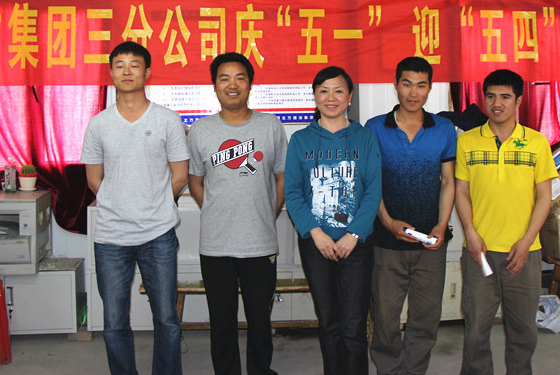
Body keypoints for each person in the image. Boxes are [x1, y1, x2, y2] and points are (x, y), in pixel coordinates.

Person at [81, 41, 189, 375]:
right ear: (111, 72)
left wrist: (155, 205)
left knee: (166, 318)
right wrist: (120, 204)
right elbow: (94, 179)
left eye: (134, 65)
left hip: (158, 234)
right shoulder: (99, 124)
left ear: (147, 72)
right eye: (120, 65)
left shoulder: (167, 119)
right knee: (114, 322)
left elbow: (180, 175)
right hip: (111, 237)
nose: (127, 71)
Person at [186, 52, 287, 375]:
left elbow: (282, 177)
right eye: (224, 78)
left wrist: (267, 213)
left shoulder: (270, 126)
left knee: (260, 320)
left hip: (260, 242)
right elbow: (195, 180)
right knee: (222, 322)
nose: (233, 85)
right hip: (215, 245)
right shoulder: (200, 130)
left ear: (250, 84)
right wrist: (214, 208)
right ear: (215, 86)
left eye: (240, 78)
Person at [454, 69, 558, 375]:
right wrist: (471, 234)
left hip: (523, 254)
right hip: (479, 253)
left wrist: (526, 241)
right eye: (491, 96)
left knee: (523, 332)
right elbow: (461, 192)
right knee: (475, 330)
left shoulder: (537, 143)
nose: (497, 103)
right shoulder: (467, 141)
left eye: (505, 97)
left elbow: (544, 197)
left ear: (518, 101)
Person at [284, 66, 382, 375]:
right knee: (328, 324)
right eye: (324, 91)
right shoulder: (300, 140)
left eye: (339, 91)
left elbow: (373, 191)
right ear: (314, 96)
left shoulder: (365, 138)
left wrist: (354, 234)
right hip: (316, 244)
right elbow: (293, 193)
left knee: (354, 326)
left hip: (357, 245)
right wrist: (316, 233)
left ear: (350, 97)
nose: (331, 97)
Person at [365, 56, 457, 375]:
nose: (413, 92)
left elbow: (448, 181)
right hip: (386, 243)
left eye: (421, 85)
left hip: (430, 243)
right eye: (407, 84)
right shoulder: (375, 127)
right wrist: (388, 222)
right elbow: (370, 181)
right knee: (384, 317)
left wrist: (442, 225)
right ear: (395, 85)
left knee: (425, 318)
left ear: (429, 88)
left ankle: (415, 370)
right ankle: (389, 370)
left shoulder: (443, 129)